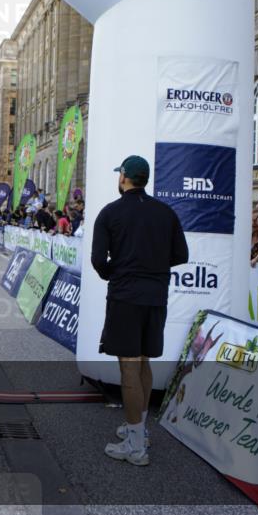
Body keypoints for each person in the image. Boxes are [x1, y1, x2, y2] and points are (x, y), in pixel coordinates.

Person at [91, 155, 188, 466]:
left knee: (129, 368)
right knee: (144, 362)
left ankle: (135, 446)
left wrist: (115, 273)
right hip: (156, 296)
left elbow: (97, 260)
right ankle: (139, 428)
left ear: (124, 178)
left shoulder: (110, 212)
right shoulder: (165, 212)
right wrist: (153, 268)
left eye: (119, 174)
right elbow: (181, 255)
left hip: (126, 296)